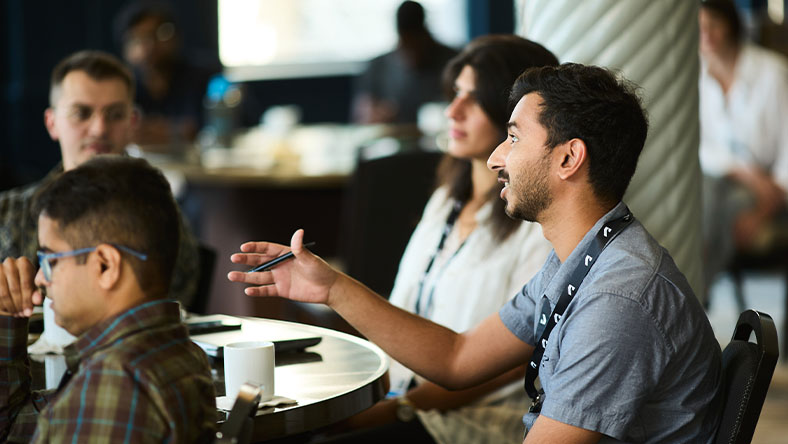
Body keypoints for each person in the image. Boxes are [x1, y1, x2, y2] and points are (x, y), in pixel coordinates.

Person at [229, 64, 723, 442]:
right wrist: (332, 288)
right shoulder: (582, 259)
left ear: (569, 158)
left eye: (513, 137)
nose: (494, 158)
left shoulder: (619, 299)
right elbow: (457, 358)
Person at [323, 35, 556, 444]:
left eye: (474, 99)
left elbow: (511, 361)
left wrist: (397, 408)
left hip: (470, 421)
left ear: (514, 116)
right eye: (455, 94)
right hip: (398, 398)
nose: (453, 110)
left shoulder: (537, 226)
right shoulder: (445, 200)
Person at [0, 156, 216, 442]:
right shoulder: (179, 353)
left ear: (105, 266)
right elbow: (14, 428)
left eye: (51, 260)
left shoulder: (115, 385)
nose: (40, 278)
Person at [0, 50, 199, 313]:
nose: (99, 129)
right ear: (52, 123)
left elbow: (169, 306)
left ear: (132, 123)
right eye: (81, 113)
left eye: (115, 115)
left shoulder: (158, 216)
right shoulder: (8, 213)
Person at [698, 0, 788, 288]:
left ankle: (695, 291)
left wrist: (766, 206)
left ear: (731, 26)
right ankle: (695, 291)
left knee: (724, 205)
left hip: (770, 188)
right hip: (724, 179)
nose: (706, 35)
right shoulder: (695, 76)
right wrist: (745, 173)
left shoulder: (773, 73)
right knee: (705, 192)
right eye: (699, 28)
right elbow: (701, 148)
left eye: (714, 25)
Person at [115, 1, 218, 145]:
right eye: (137, 39)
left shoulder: (205, 77)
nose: (148, 47)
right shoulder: (123, 86)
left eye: (157, 35)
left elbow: (224, 127)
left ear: (175, 36)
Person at [352, 1, 457, 124]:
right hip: (392, 133)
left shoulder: (452, 63)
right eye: (406, 44)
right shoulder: (378, 66)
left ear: (426, 33)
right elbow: (360, 114)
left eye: (416, 42)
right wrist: (371, 114)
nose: (412, 56)